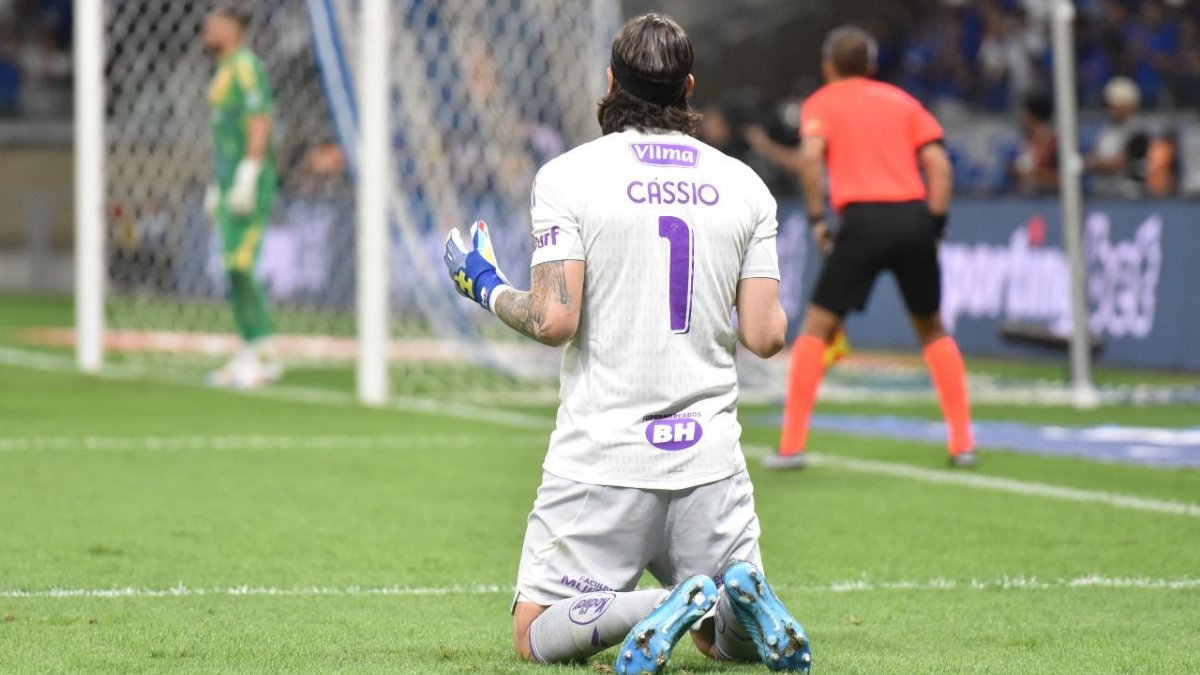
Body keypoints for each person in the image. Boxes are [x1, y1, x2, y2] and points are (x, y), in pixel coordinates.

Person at [444, 13, 811, 674]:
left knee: (533, 633)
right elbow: (766, 335)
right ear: (688, 87)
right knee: (718, 637)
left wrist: (485, 285)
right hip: (709, 460)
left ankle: (658, 605)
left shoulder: (569, 176)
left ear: (611, 82)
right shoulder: (744, 186)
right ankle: (728, 597)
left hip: (605, 457)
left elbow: (554, 319)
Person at [765, 26, 975, 471]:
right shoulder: (903, 101)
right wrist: (935, 225)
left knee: (816, 328)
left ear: (828, 66)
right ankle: (962, 443)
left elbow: (810, 157)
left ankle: (791, 445)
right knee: (933, 329)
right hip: (913, 218)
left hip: (862, 221)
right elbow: (938, 166)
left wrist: (818, 220)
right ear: (871, 65)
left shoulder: (822, 102)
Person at [201, 4, 282, 388]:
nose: (207, 29)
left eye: (215, 24)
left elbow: (259, 121)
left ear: (234, 28)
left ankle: (265, 355)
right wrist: (218, 184)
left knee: (242, 265)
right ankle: (250, 347)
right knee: (232, 269)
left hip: (250, 182)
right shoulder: (224, 69)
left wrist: (249, 173)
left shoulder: (246, 67)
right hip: (229, 181)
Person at [1086, 77, 1148, 198]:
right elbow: (1093, 157)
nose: (1111, 109)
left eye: (1115, 105)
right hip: (1103, 194)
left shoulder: (1137, 132)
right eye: (1110, 105)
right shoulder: (1105, 130)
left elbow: (1117, 165)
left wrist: (1097, 164)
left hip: (1128, 197)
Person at [1010, 92, 1059, 195]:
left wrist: (1030, 173)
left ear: (1032, 115)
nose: (1022, 118)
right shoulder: (1026, 141)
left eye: (1025, 113)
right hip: (1025, 195)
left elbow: (1061, 178)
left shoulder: (1050, 142)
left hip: (1045, 197)